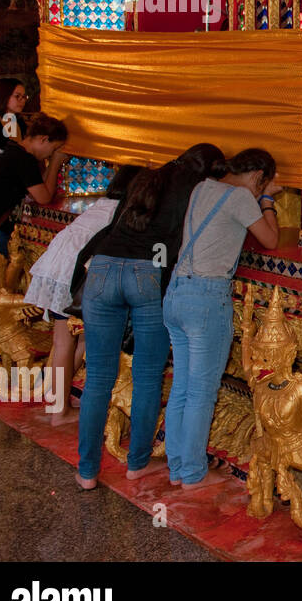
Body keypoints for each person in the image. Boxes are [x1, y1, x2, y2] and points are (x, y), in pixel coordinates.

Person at [76, 143, 225, 490]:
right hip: (149, 271)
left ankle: (86, 472)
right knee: (146, 376)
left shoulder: (149, 175)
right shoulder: (197, 188)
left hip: (103, 265)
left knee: (98, 376)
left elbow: (116, 223)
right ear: (209, 170)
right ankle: (137, 464)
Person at [163, 148, 280, 488]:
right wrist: (268, 202)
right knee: (201, 392)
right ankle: (193, 474)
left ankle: (177, 467)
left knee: (182, 387)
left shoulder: (202, 187)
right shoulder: (242, 197)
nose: (260, 192)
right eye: (264, 185)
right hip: (205, 300)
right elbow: (270, 239)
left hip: (176, 293)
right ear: (259, 177)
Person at [23, 164, 144, 425]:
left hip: (57, 264)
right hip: (72, 271)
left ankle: (55, 402)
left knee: (68, 341)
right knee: (70, 341)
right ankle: (60, 411)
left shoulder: (104, 202)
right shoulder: (124, 212)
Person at [0, 113, 68, 361]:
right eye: (51, 149)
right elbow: (44, 196)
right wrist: (55, 163)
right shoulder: (23, 160)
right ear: (43, 139)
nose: (49, 154)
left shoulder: (11, 150)